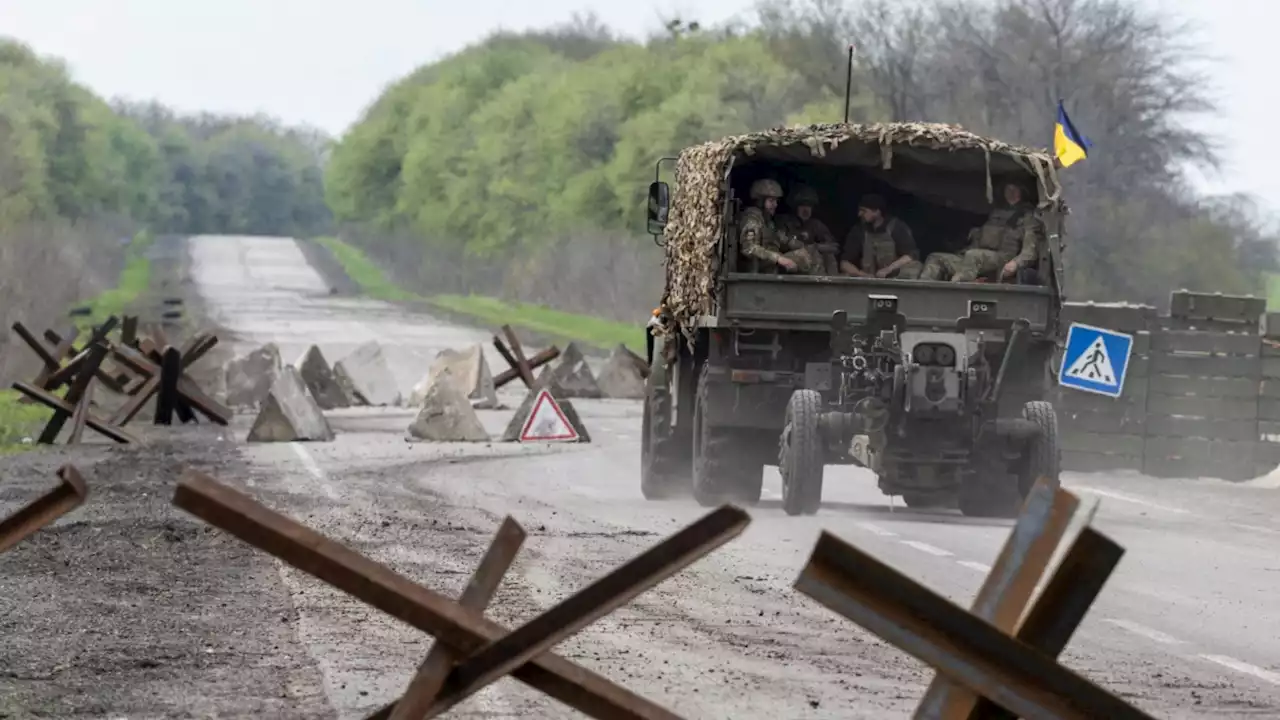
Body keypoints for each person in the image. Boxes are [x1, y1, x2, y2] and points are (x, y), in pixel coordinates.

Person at [918, 182, 1043, 283]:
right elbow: (982, 237)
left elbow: (1030, 250)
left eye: (1014, 189)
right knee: (935, 257)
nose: (1010, 192)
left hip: (1003, 257)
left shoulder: (1028, 217)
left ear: (1022, 192)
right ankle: (922, 292)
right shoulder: (996, 213)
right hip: (976, 258)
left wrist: (1016, 263)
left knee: (974, 256)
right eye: (1007, 188)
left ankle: (955, 290)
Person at [738, 178, 817, 274]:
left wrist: (799, 244)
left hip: (770, 264)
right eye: (771, 201)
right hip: (760, 268)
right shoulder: (752, 219)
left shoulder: (766, 220)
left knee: (810, 251)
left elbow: (778, 237)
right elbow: (748, 248)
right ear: (760, 202)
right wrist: (778, 258)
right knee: (803, 255)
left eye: (776, 201)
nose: (775, 205)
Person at [839, 194, 922, 280]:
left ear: (877, 212)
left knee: (914, 267)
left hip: (896, 278)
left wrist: (887, 270)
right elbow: (845, 263)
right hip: (867, 279)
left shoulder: (896, 227)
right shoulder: (859, 230)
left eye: (864, 211)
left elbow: (911, 256)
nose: (859, 214)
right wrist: (862, 275)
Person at [776, 185, 840, 275]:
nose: (806, 210)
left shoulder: (816, 225)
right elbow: (778, 243)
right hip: (790, 265)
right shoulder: (785, 223)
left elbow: (834, 247)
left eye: (809, 206)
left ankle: (833, 285)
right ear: (795, 207)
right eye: (802, 205)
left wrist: (816, 247)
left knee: (829, 256)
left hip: (811, 267)